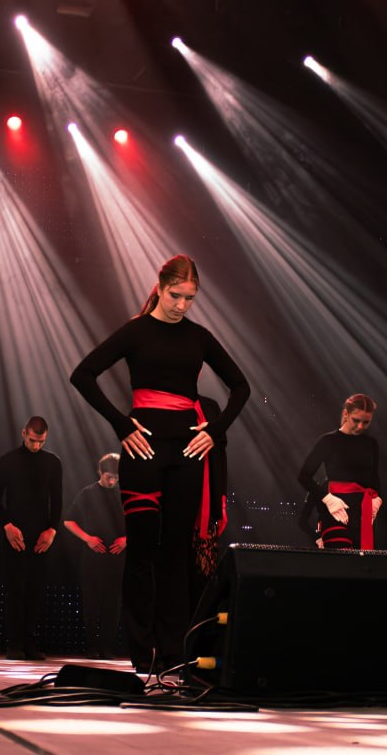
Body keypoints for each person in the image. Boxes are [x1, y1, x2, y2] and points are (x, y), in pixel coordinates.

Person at [71, 254, 250, 675]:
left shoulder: (199, 337)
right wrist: (120, 423)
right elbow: (82, 374)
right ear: (160, 286)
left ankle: (173, 653)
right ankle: (142, 652)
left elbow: (241, 387)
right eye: (175, 296)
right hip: (143, 451)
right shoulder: (136, 331)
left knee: (175, 555)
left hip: (187, 453)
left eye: (190, 298)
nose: (182, 305)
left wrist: (215, 430)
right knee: (141, 553)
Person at [0, 416, 64, 661]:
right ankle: (14, 644)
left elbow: (57, 501)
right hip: (14, 532)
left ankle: (30, 642)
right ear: (24, 433)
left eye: (41, 441)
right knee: (15, 589)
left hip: (41, 534)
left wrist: (52, 530)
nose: (36, 446)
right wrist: (7, 525)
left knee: (35, 589)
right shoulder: (8, 461)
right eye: (32, 440)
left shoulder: (52, 462)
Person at [296, 394, 382, 551]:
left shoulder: (371, 444)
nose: (360, 426)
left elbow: (375, 478)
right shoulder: (328, 441)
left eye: (366, 422)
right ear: (346, 414)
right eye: (356, 420)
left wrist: (377, 499)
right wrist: (328, 499)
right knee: (342, 560)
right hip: (336, 510)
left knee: (363, 562)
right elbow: (303, 476)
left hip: (363, 513)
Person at [64, 452, 127, 659]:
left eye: (116, 477)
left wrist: (126, 539)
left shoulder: (124, 493)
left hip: (117, 558)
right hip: (93, 557)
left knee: (113, 604)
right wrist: (87, 538)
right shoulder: (88, 493)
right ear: (100, 472)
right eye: (109, 477)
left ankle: (107, 648)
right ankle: (91, 646)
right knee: (91, 602)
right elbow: (68, 521)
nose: (112, 481)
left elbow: (140, 522)